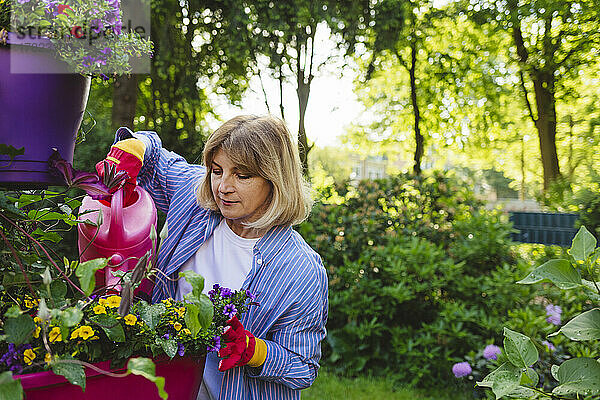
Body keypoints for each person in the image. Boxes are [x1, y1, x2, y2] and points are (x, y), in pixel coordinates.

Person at [97, 115, 328, 400]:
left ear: (275, 180)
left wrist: (255, 351)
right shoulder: (196, 201)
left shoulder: (300, 269)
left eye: (242, 176)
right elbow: (154, 157)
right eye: (217, 170)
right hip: (162, 389)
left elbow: (302, 366)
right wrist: (133, 148)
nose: (223, 186)